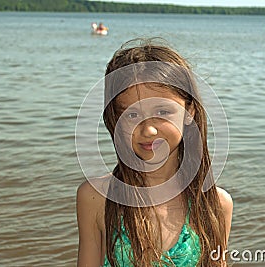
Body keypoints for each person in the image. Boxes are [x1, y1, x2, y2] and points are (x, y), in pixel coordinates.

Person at [76, 38, 233, 266]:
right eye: (131, 115)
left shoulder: (216, 205)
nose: (148, 130)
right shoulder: (96, 198)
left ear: (189, 111)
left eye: (162, 111)